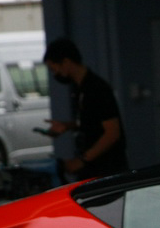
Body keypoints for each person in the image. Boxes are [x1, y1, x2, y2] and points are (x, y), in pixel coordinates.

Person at [41, 38, 128, 180]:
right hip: (93, 167)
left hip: (107, 169)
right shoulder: (79, 89)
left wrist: (82, 160)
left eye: (53, 68)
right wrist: (67, 126)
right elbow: (92, 121)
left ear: (66, 62)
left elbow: (112, 133)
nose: (54, 74)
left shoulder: (96, 89)